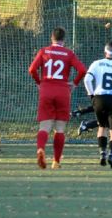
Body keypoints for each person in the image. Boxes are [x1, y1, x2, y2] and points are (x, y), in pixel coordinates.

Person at [28, 26, 87, 169]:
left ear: (51, 38)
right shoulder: (69, 53)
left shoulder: (43, 51)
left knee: (45, 126)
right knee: (59, 129)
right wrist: (74, 83)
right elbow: (82, 70)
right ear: (64, 40)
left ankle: (41, 148)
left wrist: (39, 83)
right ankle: (56, 161)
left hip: (46, 90)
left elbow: (32, 70)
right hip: (63, 91)